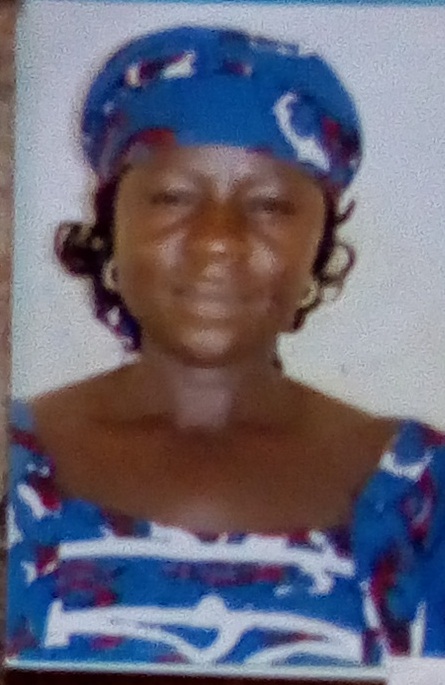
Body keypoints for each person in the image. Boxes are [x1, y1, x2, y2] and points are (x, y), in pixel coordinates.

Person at [5, 25, 445, 683]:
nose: (218, 239)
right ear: (111, 225)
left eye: (269, 205)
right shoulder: (14, 464)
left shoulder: (419, 492)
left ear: (319, 246)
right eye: (172, 197)